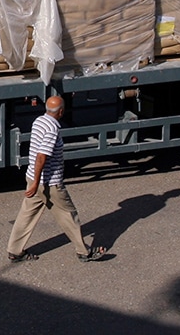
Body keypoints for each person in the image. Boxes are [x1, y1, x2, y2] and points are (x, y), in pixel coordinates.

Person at [6, 95, 108, 263]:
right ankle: (84, 252)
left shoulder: (39, 120)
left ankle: (15, 251)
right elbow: (41, 157)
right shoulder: (52, 130)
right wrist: (38, 182)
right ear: (61, 111)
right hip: (48, 183)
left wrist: (34, 183)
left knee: (27, 215)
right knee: (69, 215)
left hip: (32, 178)